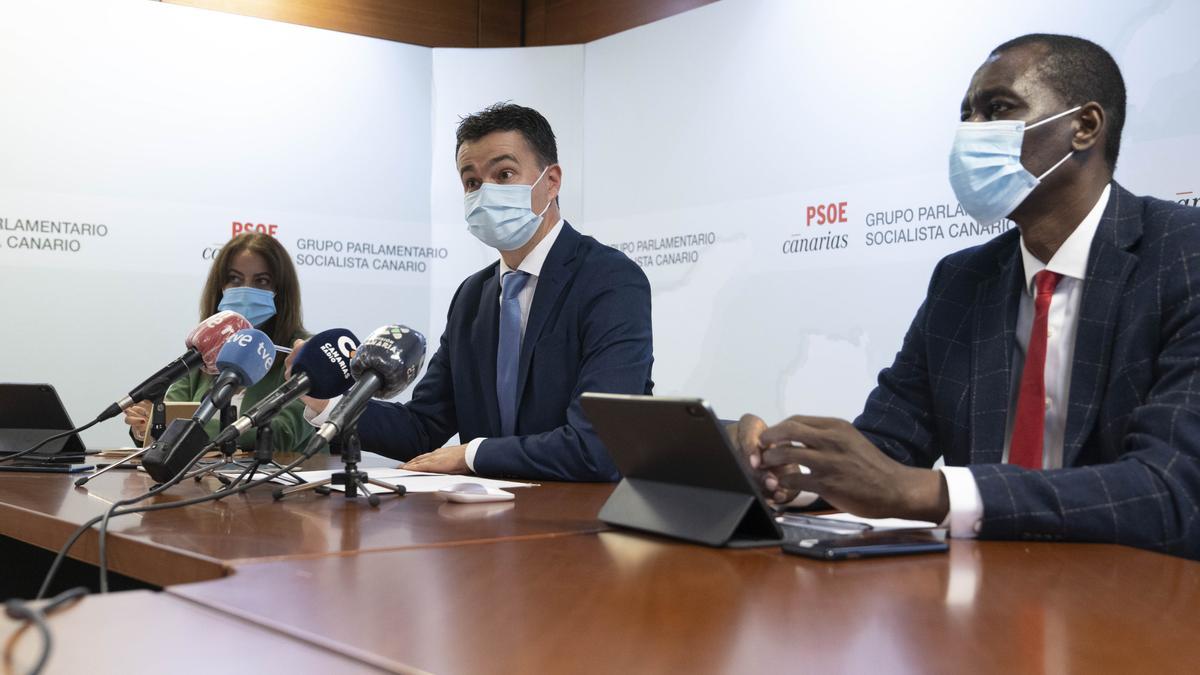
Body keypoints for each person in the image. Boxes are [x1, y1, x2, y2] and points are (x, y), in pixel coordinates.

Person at [735, 34, 1200, 559]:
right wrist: (793, 472)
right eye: (966, 115)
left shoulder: (1183, 256)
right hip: (982, 593)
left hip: (1138, 600)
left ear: (1084, 126)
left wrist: (923, 491)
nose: (971, 133)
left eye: (997, 109)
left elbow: (1171, 491)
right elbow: (888, 444)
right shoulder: (962, 279)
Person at [300, 103, 654, 481]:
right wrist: (328, 402)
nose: (485, 193)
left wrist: (472, 453)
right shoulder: (473, 296)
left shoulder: (610, 280)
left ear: (551, 182)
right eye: (472, 182)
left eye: (504, 174)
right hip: (484, 525)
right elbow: (422, 428)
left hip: (578, 520)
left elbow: (596, 446)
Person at [123, 232, 314, 453]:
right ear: (219, 287)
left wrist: (181, 429)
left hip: (279, 481)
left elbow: (281, 434)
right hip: (201, 481)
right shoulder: (206, 347)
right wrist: (145, 427)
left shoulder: (302, 353)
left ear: (281, 291)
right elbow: (168, 416)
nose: (246, 290)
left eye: (262, 281)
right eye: (235, 279)